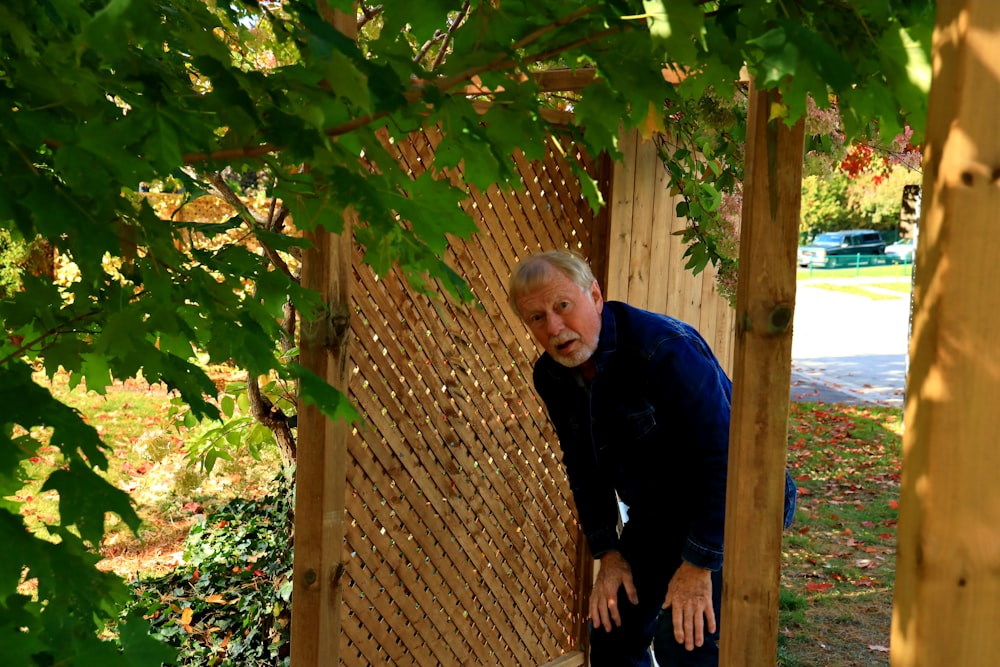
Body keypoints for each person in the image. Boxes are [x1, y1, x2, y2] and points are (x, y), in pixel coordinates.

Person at [508, 249, 795, 667]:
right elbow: (584, 469)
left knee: (687, 638)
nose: (554, 327)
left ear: (595, 295)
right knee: (611, 631)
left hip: (737, 503)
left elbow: (726, 461)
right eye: (536, 318)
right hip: (660, 511)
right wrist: (609, 555)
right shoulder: (552, 375)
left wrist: (698, 567)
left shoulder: (662, 350)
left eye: (562, 306)